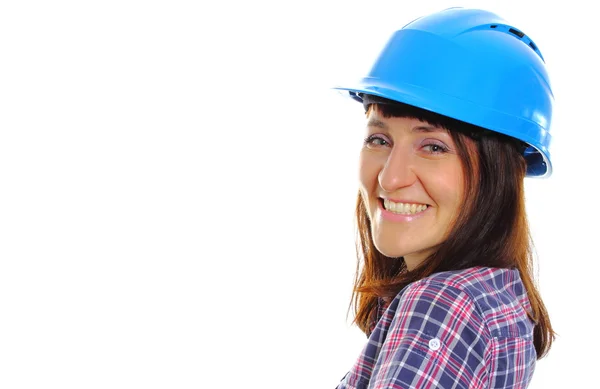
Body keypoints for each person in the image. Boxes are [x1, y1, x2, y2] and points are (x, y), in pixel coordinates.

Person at [333, 7, 555, 389]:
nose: (390, 177)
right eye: (379, 139)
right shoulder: (499, 293)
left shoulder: (443, 303)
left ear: (497, 173)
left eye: (433, 147)